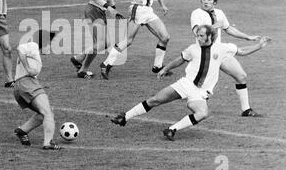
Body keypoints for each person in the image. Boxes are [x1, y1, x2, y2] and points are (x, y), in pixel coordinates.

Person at [110, 25, 271, 141]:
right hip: (185, 84)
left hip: (200, 93)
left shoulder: (223, 48)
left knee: (202, 113)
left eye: (201, 35)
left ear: (210, 37)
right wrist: (165, 68)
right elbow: (180, 60)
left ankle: (172, 129)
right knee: (155, 100)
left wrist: (259, 45)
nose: (198, 38)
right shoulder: (193, 48)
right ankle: (125, 117)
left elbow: (242, 51)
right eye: (198, 35)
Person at [190, 0, 262, 117]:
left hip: (220, 52)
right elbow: (197, 33)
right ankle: (198, 111)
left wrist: (247, 37)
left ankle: (246, 110)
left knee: (241, 76)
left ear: (215, 2)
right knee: (205, 87)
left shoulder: (219, 13)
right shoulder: (196, 14)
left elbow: (228, 29)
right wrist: (214, 27)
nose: (206, 2)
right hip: (206, 54)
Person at [100, 0, 170, 79]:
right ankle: (106, 64)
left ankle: (157, 66)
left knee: (165, 37)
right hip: (137, 10)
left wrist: (163, 5)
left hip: (148, 11)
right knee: (128, 40)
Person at [70, 0, 124, 79]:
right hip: (94, 10)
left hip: (100, 11)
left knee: (103, 43)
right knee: (101, 43)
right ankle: (78, 59)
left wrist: (114, 8)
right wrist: (108, 6)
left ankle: (82, 67)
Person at [13, 29, 62, 150]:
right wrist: (28, 68)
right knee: (48, 113)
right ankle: (48, 143)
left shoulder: (34, 51)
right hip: (27, 83)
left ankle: (22, 130)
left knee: (44, 113)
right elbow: (20, 49)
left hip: (20, 86)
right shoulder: (33, 45)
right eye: (49, 42)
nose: (50, 45)